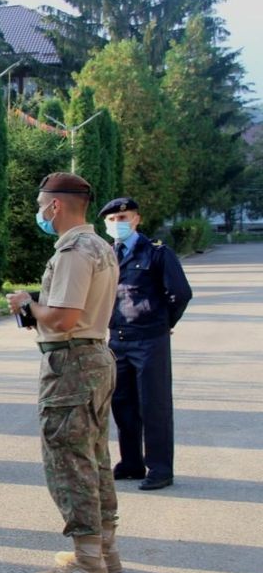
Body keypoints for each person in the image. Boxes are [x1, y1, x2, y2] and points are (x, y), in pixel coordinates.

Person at [6, 172, 120, 573]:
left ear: (55, 206)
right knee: (93, 455)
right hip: (94, 357)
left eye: (41, 204)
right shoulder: (100, 246)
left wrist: (27, 305)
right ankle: (104, 549)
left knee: (69, 459)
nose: (39, 211)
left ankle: (88, 561)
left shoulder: (73, 251)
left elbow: (63, 317)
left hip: (72, 363)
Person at [99, 197, 192, 491]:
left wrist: (164, 324)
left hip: (150, 339)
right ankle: (131, 463)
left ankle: (161, 468)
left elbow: (180, 294)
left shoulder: (157, 253)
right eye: (112, 220)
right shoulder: (107, 254)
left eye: (123, 217)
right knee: (122, 404)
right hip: (118, 339)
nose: (118, 224)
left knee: (154, 405)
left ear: (137, 219)